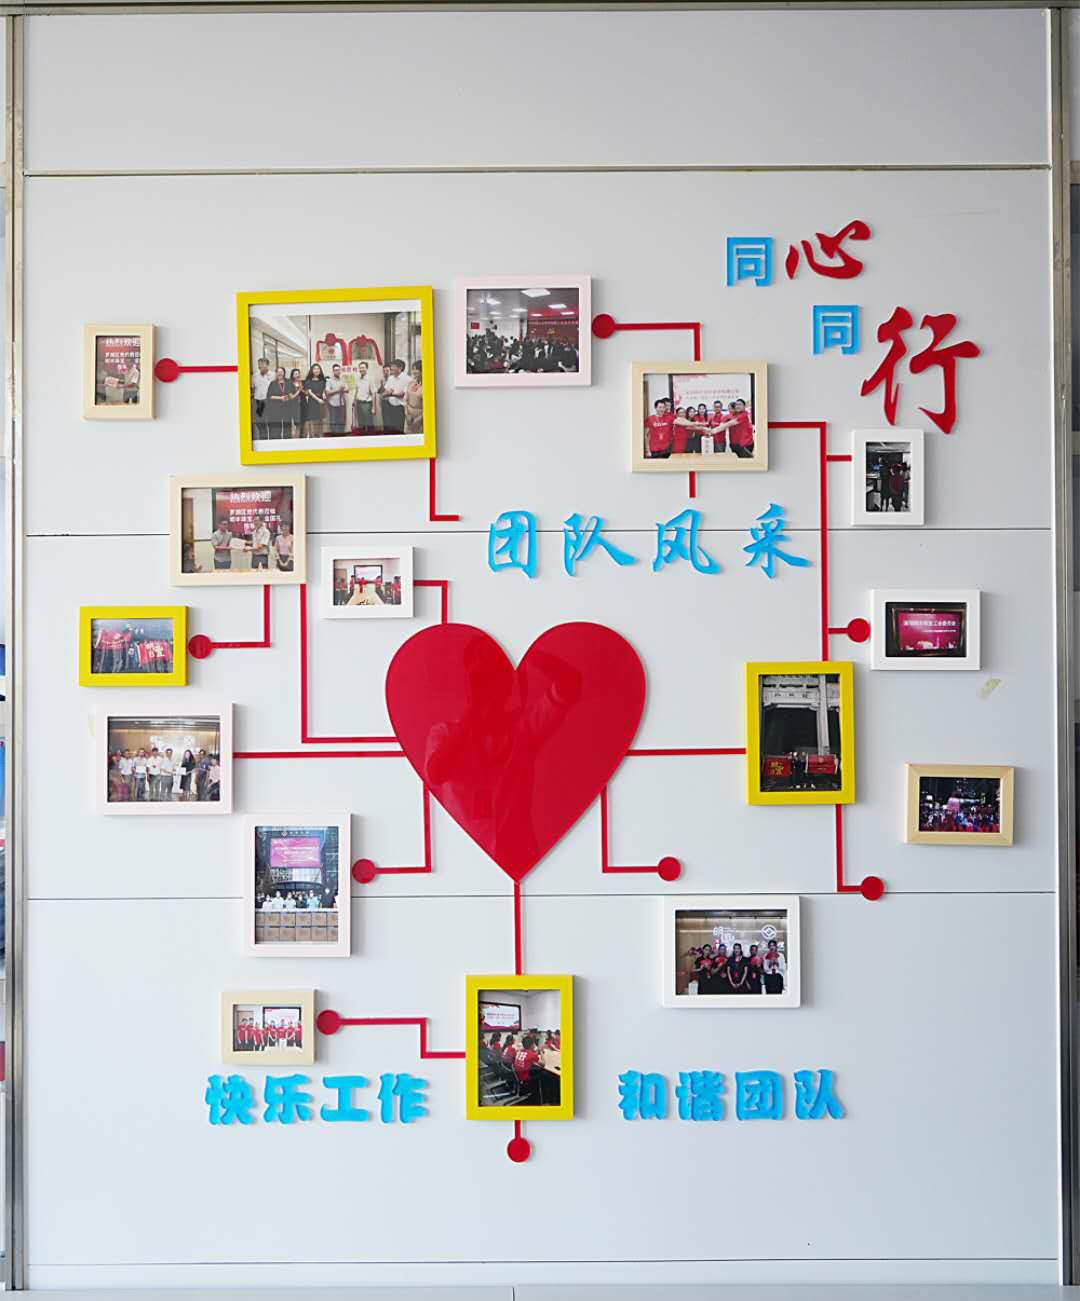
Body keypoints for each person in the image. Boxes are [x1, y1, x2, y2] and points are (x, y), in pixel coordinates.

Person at [264, 366, 292, 439]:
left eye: (281, 372)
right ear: (276, 373)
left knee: (287, 428)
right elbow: (269, 396)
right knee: (276, 428)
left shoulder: (289, 382)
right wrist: (280, 398)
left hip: (287, 408)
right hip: (275, 408)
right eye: (278, 372)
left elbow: (292, 393)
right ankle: (275, 442)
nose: (280, 373)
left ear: (284, 373)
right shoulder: (272, 383)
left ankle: (287, 442)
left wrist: (288, 397)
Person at [301, 363, 328, 438]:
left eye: (318, 369)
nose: (316, 370)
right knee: (313, 421)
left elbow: (324, 391)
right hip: (312, 403)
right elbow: (309, 392)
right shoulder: (308, 381)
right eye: (315, 369)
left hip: (321, 403)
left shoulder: (323, 381)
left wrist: (324, 395)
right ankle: (313, 437)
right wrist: (318, 399)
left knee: (320, 421)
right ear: (312, 371)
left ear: (320, 370)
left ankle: (320, 437)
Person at [382, 359, 409, 432]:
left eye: (393, 366)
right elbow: (386, 391)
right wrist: (389, 393)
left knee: (399, 429)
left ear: (400, 368)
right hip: (390, 407)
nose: (391, 368)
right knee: (391, 429)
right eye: (391, 366)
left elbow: (403, 394)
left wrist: (391, 393)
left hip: (400, 408)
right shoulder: (390, 378)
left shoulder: (407, 379)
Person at [351, 360, 377, 432]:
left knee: (369, 423)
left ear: (367, 368)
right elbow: (356, 390)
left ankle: (370, 436)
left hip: (367, 404)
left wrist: (374, 407)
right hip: (359, 403)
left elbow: (374, 393)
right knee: (361, 423)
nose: (361, 369)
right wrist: (354, 401)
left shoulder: (370, 379)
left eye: (363, 367)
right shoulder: (358, 378)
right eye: (360, 368)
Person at [251, 357, 273, 439]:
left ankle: (271, 438)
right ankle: (263, 438)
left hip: (269, 401)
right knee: (260, 422)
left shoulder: (273, 375)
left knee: (270, 421)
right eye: (259, 365)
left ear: (267, 365)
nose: (260, 367)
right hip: (258, 402)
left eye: (262, 365)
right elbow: (253, 388)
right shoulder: (255, 376)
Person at [324, 363, 347, 435]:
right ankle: (334, 435)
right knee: (333, 420)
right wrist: (338, 390)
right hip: (332, 404)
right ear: (333, 371)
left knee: (341, 420)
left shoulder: (343, 379)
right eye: (336, 370)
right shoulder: (329, 381)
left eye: (338, 370)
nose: (337, 371)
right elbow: (327, 392)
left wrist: (343, 389)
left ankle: (341, 434)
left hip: (342, 403)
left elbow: (347, 389)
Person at [404, 360, 423, 434]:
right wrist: (407, 415)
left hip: (420, 417)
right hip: (409, 417)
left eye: (416, 369)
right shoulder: (411, 383)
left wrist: (418, 420)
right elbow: (405, 401)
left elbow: (429, 407)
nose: (414, 371)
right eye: (413, 369)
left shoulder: (428, 385)